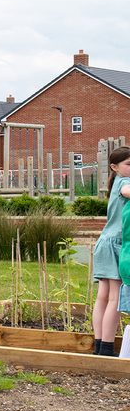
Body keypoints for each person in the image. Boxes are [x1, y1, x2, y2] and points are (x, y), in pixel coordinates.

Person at [89, 147, 130, 355]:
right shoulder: (123, 182)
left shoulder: (115, 183)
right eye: (128, 165)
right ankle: (106, 347)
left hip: (104, 242)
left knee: (103, 297)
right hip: (115, 244)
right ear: (115, 167)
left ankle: (99, 346)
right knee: (115, 297)